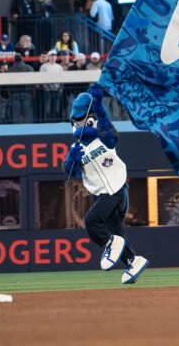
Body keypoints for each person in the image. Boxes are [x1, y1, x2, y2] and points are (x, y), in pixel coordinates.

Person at [64, 85, 149, 284]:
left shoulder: (102, 138)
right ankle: (133, 261)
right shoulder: (76, 147)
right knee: (116, 230)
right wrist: (71, 161)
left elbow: (111, 133)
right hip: (102, 195)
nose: (80, 126)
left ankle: (109, 242)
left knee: (92, 221)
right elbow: (70, 172)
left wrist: (100, 106)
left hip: (116, 190)